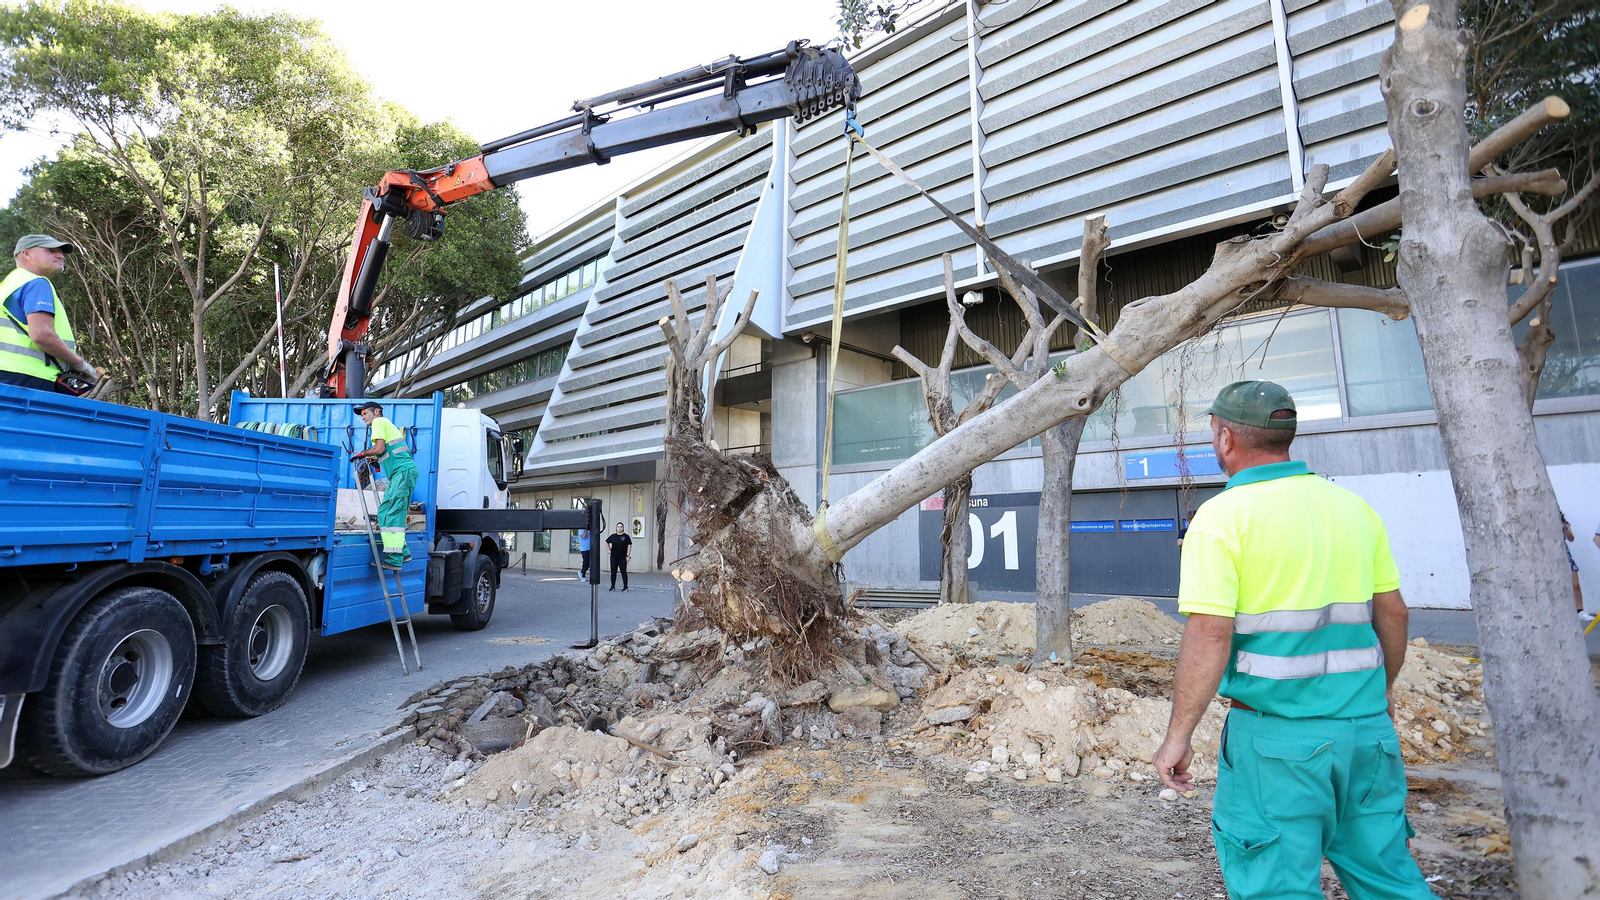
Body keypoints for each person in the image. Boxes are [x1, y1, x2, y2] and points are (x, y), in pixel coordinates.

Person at [1153, 381, 1432, 900]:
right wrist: (1382, 690)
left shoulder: (1222, 519)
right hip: (1366, 735)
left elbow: (1210, 635)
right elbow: (1393, 612)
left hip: (1278, 745)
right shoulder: (1353, 508)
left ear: (1225, 438)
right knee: (1389, 879)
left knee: (1277, 885)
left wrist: (1178, 735)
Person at [0, 234, 98, 393]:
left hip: (9, 377)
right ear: (26, 254)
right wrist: (79, 363)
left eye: (60, 251)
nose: (60, 255)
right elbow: (42, 335)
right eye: (51, 250)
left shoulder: (7, 285)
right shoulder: (36, 283)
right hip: (29, 378)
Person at [350, 401, 417, 570]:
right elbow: (386, 452)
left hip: (402, 473)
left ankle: (394, 559)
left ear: (377, 412)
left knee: (393, 513)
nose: (363, 417)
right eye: (362, 414)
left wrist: (363, 453)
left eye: (366, 413)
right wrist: (375, 460)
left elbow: (379, 448)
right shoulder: (387, 424)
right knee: (385, 511)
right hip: (401, 474)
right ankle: (403, 551)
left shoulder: (379, 422)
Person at [1560, 512, 1583, 616]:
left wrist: (1565, 529)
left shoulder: (1564, 523)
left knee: (1575, 583)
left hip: (1565, 552)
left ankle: (1580, 610)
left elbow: (1571, 538)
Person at [606, 522, 633, 592]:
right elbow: (606, 542)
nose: (619, 528)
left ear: (623, 528)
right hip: (614, 557)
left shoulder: (626, 537)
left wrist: (628, 555)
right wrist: (609, 549)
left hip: (622, 557)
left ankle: (625, 587)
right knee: (613, 572)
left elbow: (629, 546)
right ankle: (612, 586)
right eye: (618, 527)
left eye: (621, 527)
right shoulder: (613, 536)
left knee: (623, 572)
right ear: (616, 528)